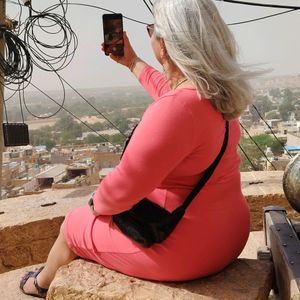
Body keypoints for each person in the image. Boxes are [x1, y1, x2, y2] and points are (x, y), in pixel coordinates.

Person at [20, 0, 254, 297]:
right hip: (229, 234)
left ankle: (39, 284)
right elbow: (169, 93)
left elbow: (119, 193)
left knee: (74, 224)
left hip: (188, 249)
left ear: (166, 43)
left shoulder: (177, 109)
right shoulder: (214, 94)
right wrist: (132, 61)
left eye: (152, 30)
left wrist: (95, 206)